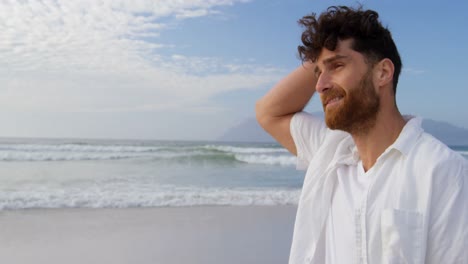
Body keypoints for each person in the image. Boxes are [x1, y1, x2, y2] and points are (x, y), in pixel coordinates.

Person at [256, 5, 467, 264]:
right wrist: (321, 52)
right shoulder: (329, 153)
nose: (320, 86)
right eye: (318, 74)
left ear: (383, 72)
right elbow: (268, 112)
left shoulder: (444, 171)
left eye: (337, 66)